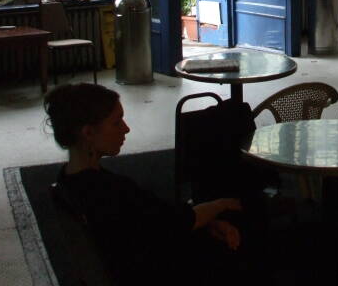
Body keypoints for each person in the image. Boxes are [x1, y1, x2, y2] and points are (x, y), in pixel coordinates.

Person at [44, 82, 245, 285]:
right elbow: (174, 223)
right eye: (116, 123)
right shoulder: (111, 192)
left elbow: (161, 222)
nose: (126, 129)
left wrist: (205, 222)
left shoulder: (68, 182)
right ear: (88, 133)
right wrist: (221, 205)